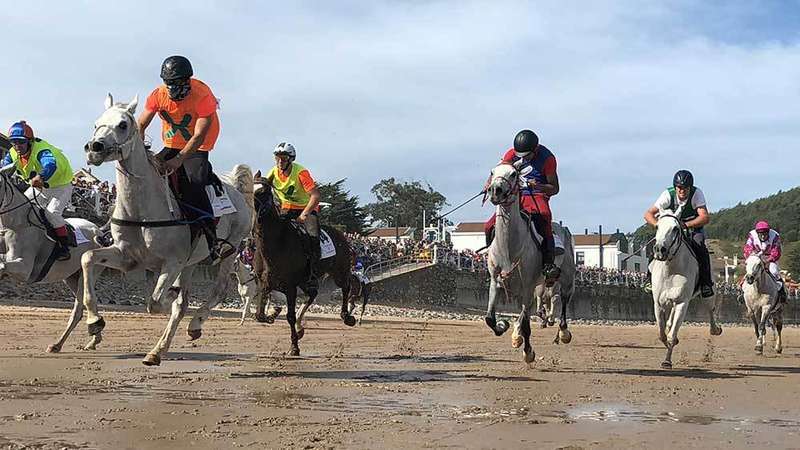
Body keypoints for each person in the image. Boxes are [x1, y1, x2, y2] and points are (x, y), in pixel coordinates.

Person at [137, 55, 224, 261]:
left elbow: (199, 135)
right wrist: (140, 153)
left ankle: (212, 238)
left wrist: (178, 160)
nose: (172, 88)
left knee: (194, 183)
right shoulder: (157, 95)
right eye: (168, 83)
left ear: (187, 81)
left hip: (199, 145)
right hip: (171, 143)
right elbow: (140, 125)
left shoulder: (203, 95)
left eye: (176, 83)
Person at [484, 129, 560, 278]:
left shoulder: (548, 159)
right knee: (488, 225)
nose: (522, 158)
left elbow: (554, 188)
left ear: (535, 149)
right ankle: (490, 258)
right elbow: (499, 171)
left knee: (544, 215)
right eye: (519, 155)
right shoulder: (512, 153)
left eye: (526, 155)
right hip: (514, 193)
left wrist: (538, 186)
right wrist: (489, 184)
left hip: (536, 194)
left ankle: (548, 263)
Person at [2, 121, 74, 260]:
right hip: (39, 187)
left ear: (30, 142)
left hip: (60, 186)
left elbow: (50, 164)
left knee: (52, 214)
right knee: (21, 206)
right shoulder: (12, 153)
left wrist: (40, 176)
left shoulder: (42, 150)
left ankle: (64, 247)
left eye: (21, 142)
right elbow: (4, 167)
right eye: (14, 142)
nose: (17, 146)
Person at [644, 169, 714, 297]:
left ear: (690, 187)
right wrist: (658, 225)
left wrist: (685, 225)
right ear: (675, 187)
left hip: (692, 227)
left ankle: (705, 283)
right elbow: (648, 214)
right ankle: (649, 279)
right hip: (671, 228)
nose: (682, 191)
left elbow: (704, 217)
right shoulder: (667, 194)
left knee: (700, 246)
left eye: (685, 188)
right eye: (679, 188)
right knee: (657, 244)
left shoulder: (696, 194)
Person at [266, 142, 322, 288]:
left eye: (283, 158)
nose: (279, 161)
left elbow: (315, 196)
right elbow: (264, 189)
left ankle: (313, 273)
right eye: (277, 158)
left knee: (313, 237)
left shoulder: (301, 173)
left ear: (290, 159)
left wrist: (304, 215)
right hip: (286, 209)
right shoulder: (273, 172)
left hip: (306, 208)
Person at [743, 220, 787, 302]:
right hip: (756, 256)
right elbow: (748, 248)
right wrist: (751, 256)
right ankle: (742, 291)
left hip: (770, 257)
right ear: (757, 233)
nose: (763, 236)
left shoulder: (775, 236)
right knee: (750, 270)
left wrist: (767, 261)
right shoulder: (752, 235)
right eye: (761, 234)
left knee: (774, 271)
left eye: (765, 234)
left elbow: (776, 252)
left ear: (768, 232)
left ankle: (782, 292)